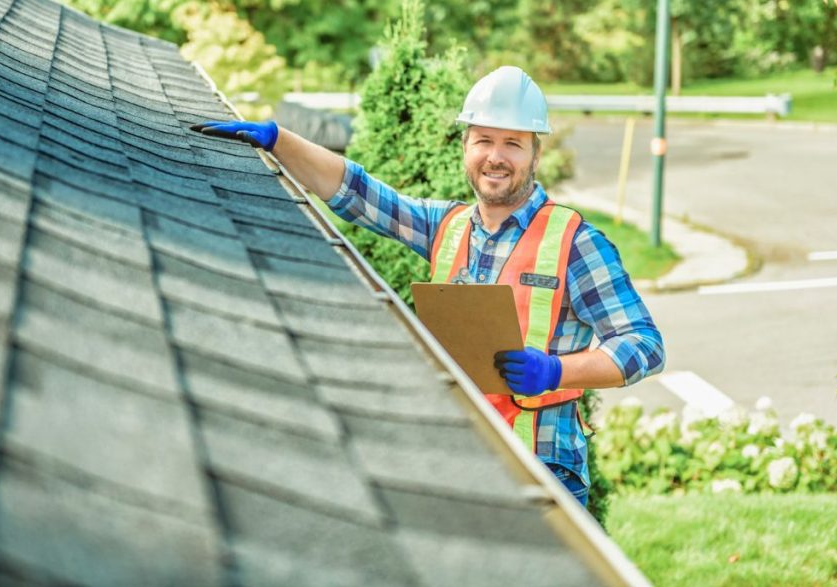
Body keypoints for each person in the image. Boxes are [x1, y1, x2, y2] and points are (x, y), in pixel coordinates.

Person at [191, 66, 665, 506]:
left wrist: (556, 372)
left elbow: (644, 345)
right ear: (465, 147)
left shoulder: (576, 243)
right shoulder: (448, 227)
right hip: (461, 459)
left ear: (535, 154)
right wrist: (280, 142)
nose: (495, 157)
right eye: (483, 140)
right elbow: (358, 194)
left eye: (513, 143)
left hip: (542, 470)